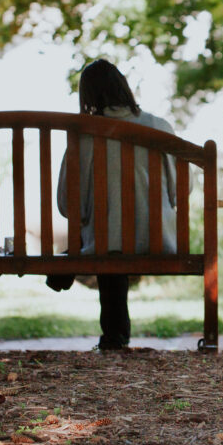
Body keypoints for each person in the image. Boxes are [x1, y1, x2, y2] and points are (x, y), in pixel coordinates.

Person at [52, 59, 181, 350]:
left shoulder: (83, 134)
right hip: (158, 240)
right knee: (116, 238)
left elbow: (67, 205)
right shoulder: (160, 127)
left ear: (87, 95)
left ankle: (113, 335)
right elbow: (179, 193)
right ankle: (67, 263)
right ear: (124, 88)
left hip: (107, 244)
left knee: (111, 243)